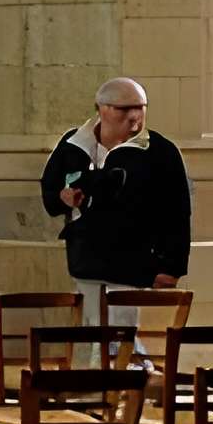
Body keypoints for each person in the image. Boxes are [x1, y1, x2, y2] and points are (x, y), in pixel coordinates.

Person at [42, 76, 191, 323]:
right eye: (125, 109)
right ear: (101, 109)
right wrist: (63, 197)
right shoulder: (74, 145)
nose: (135, 116)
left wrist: (172, 266)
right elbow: (50, 192)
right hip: (84, 260)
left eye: (140, 108)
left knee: (123, 338)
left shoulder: (160, 151)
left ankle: (132, 361)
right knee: (90, 334)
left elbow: (177, 211)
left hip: (134, 263)